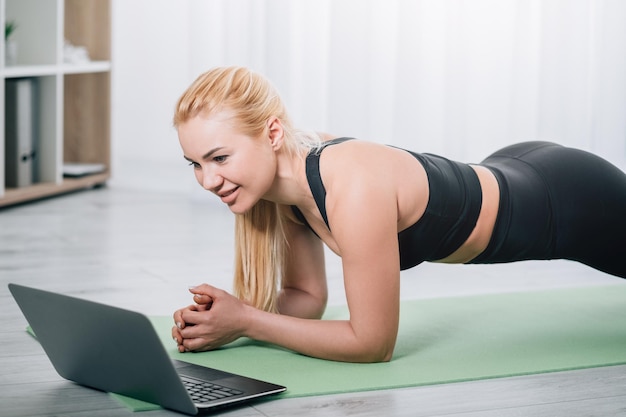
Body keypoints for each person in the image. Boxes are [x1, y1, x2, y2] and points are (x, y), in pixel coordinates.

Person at [171, 66, 626, 363]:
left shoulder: (351, 186)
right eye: (196, 164)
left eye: (219, 158)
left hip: (566, 201)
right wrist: (223, 322)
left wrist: (249, 321)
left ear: (271, 133)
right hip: (515, 169)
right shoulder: (284, 190)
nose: (208, 181)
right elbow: (306, 296)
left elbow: (372, 343)